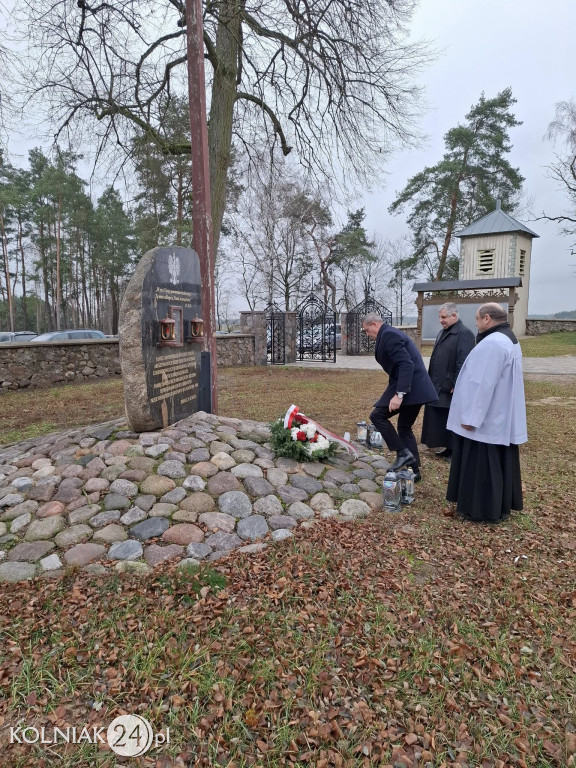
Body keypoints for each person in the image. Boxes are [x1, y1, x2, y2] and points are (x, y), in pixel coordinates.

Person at [446, 302, 527, 523]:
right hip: (497, 415)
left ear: (487, 319)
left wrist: (471, 417)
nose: (475, 321)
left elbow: (483, 383)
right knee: (494, 462)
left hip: (487, 420)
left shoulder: (493, 343)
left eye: (477, 318)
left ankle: (480, 509)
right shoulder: (507, 338)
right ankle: (496, 506)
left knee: (483, 464)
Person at [362, 313, 438, 481]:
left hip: (411, 388)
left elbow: (406, 364)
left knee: (377, 415)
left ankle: (403, 453)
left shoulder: (389, 334)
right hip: (414, 388)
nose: (367, 334)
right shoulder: (388, 334)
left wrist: (399, 394)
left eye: (367, 330)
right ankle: (414, 470)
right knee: (404, 427)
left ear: (374, 324)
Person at [421, 302, 475, 458]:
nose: (441, 320)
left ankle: (455, 450)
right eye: (439, 317)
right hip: (438, 383)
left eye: (443, 317)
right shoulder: (443, 332)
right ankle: (448, 447)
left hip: (450, 385)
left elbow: (464, 362)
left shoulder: (464, 333)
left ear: (454, 315)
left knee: (452, 416)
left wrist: (457, 382)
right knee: (441, 416)